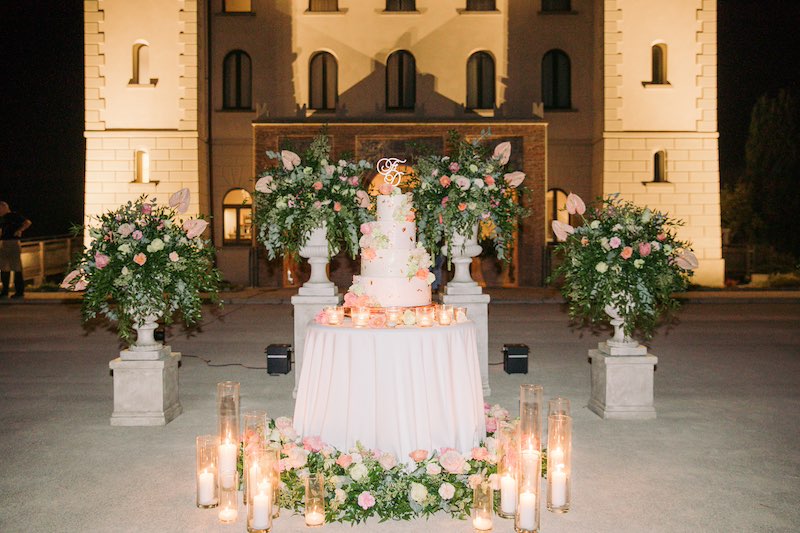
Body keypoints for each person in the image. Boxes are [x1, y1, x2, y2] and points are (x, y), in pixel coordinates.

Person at [0, 201, 32, 299]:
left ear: (4, 207)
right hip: (4, 243)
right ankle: (5, 292)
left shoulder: (14, 215)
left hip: (13, 242)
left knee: (16, 267)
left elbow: (27, 222)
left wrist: (19, 230)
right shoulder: (2, 219)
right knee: (4, 268)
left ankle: (19, 291)